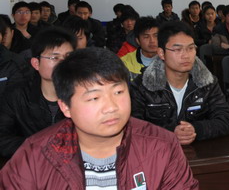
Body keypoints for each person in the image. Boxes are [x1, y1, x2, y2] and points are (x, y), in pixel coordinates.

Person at [0, 47, 199, 189]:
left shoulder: (162, 146)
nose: (111, 107)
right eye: (94, 98)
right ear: (65, 107)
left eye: (118, 92)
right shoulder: (35, 154)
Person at [130, 21, 229, 143]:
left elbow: (226, 120)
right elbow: (133, 126)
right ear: (161, 53)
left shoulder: (207, 82)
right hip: (157, 150)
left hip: (199, 150)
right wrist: (170, 132)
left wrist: (195, 130)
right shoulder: (142, 85)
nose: (186, 55)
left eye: (191, 48)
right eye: (178, 49)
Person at [0, 27, 75, 158]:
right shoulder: (16, 95)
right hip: (28, 164)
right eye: (55, 57)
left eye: (68, 57)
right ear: (36, 63)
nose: (63, 64)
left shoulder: (83, 96)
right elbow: (3, 139)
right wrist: (42, 147)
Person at [121, 17, 159, 81]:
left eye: (156, 36)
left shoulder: (170, 59)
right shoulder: (124, 63)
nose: (152, 41)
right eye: (146, 37)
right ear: (137, 40)